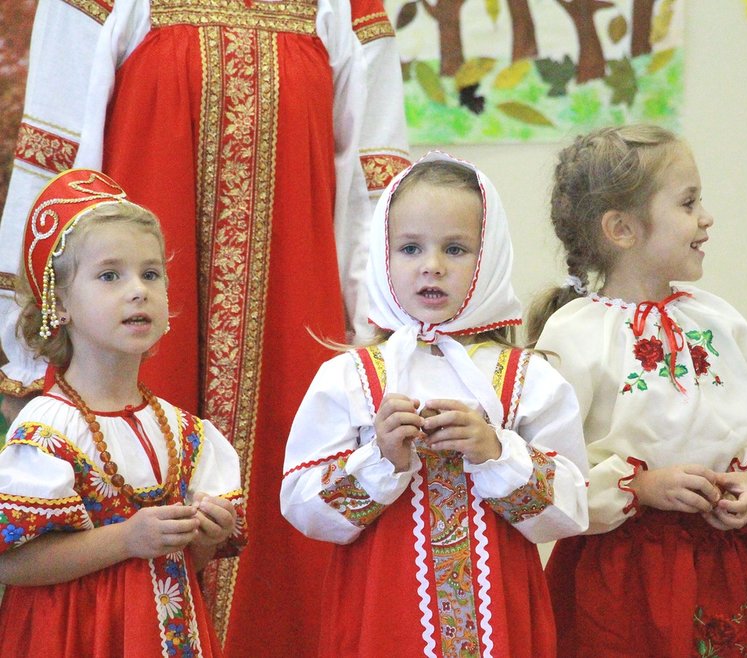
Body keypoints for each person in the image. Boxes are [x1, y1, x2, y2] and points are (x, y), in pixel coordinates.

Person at [0, 1, 410, 654]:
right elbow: (54, 158)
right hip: (122, 323)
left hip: (296, 316)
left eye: (150, 276)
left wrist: (384, 338)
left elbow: (375, 181)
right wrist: (23, 343)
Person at [280, 152, 590, 656]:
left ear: (490, 258)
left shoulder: (527, 378)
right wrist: (381, 459)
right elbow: (303, 508)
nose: (433, 265)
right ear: (383, 257)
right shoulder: (350, 377)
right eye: (410, 247)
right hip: (383, 618)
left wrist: (495, 452)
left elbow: (570, 511)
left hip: (501, 622)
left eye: (456, 248)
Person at [528, 124, 747, 657]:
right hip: (623, 577)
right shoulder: (574, 334)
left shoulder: (719, 319)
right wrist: (641, 486)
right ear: (622, 229)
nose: (706, 217)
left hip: (727, 565)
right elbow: (544, 469)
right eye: (688, 202)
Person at [0, 169, 245, 657]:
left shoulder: (185, 432)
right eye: (110, 275)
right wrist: (127, 539)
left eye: (150, 274)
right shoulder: (46, 429)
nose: (138, 290)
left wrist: (204, 537)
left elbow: (184, 567)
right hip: (72, 638)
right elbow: (11, 563)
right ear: (60, 303)